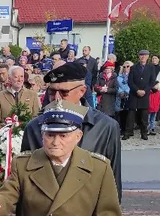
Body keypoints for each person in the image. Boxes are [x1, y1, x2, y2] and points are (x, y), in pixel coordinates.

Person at [23, 62, 123, 199]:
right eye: (52, 92)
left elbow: (113, 180)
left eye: (64, 93)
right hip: (44, 212)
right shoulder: (34, 127)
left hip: (86, 211)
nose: (57, 98)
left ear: (82, 91)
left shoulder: (106, 127)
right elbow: (25, 177)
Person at [0, 66, 41, 131]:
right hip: (7, 136)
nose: (19, 80)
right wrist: (5, 133)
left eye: (21, 76)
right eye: (16, 77)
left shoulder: (32, 95)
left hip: (27, 135)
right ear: (9, 79)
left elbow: (37, 117)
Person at [128, 49, 158, 142]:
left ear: (148, 57)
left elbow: (152, 81)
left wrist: (145, 90)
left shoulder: (151, 67)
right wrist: (137, 90)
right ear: (139, 56)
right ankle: (128, 132)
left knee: (144, 115)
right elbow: (130, 81)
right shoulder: (133, 68)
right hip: (134, 93)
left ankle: (144, 133)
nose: (143, 57)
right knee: (131, 114)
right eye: (141, 55)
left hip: (145, 94)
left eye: (145, 55)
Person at [116, 62, 132, 139]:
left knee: (129, 114)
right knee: (122, 113)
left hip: (130, 96)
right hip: (121, 97)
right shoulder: (119, 77)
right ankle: (122, 129)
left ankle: (129, 130)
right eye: (124, 66)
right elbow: (116, 85)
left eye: (128, 66)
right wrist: (120, 91)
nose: (126, 68)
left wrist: (127, 91)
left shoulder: (132, 76)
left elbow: (133, 84)